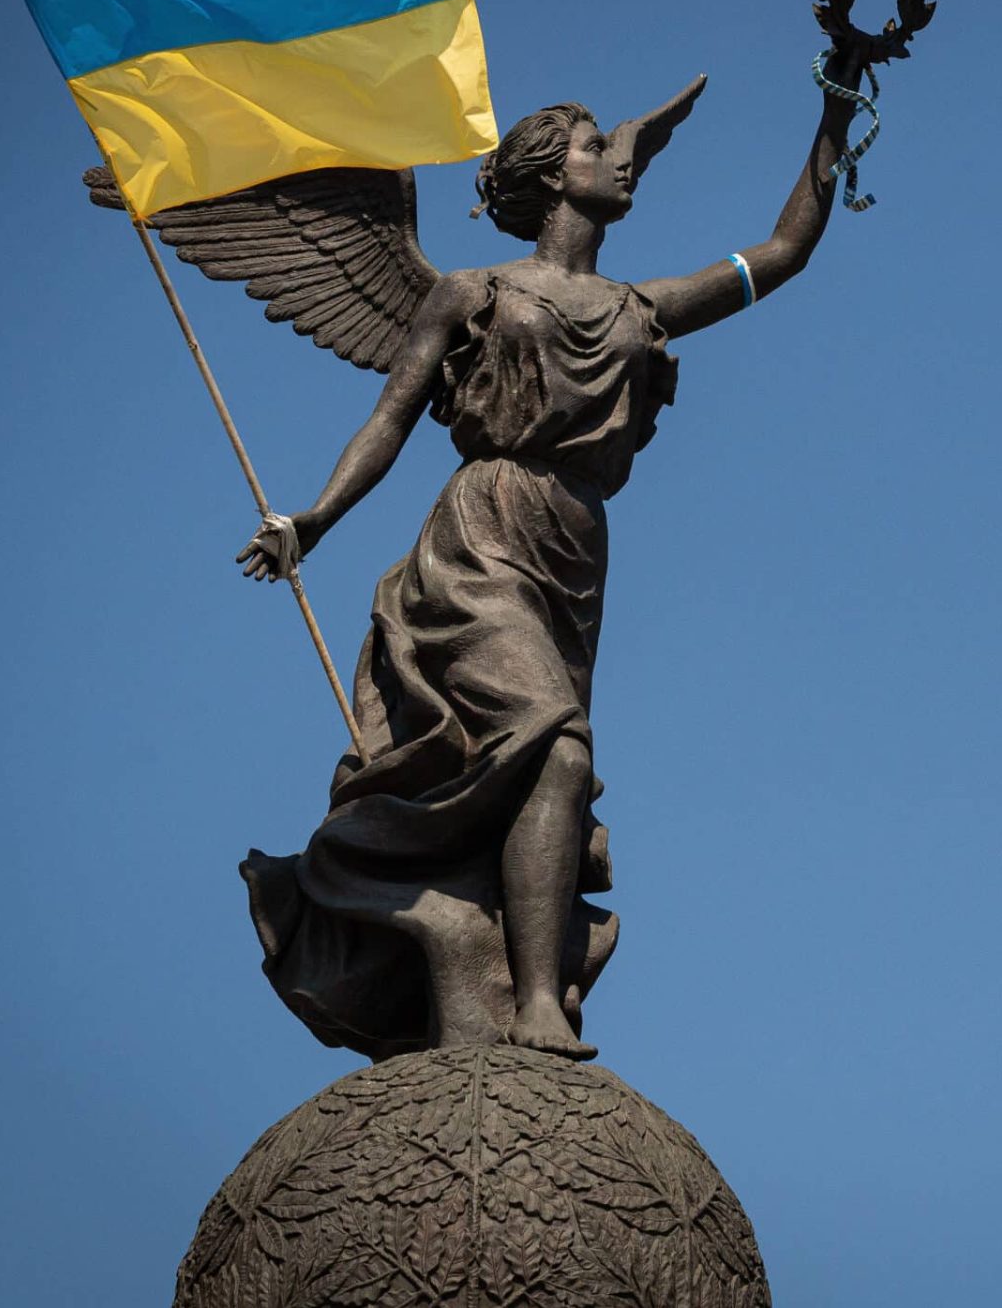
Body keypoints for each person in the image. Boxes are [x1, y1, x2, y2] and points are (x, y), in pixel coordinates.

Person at [235, 52, 864, 1059]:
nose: (622, 162)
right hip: (480, 530)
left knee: (548, 770)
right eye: (597, 147)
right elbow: (393, 417)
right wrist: (312, 520)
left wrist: (835, 111)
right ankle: (531, 1004)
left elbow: (785, 250)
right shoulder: (472, 292)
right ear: (548, 172)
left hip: (574, 546)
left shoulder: (639, 310)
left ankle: (520, 985)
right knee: (555, 740)